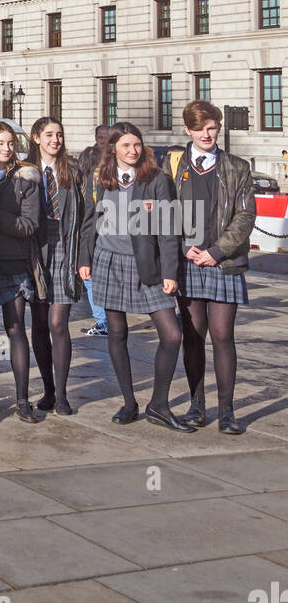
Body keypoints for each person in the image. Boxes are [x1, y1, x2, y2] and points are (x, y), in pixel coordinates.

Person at [79, 122, 192, 432]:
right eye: (126, 146)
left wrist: (170, 272)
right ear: (113, 148)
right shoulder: (98, 178)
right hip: (108, 262)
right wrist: (84, 260)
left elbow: (168, 229)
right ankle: (129, 402)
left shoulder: (156, 179)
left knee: (171, 335)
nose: (133, 151)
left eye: (137, 145)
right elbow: (89, 222)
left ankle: (159, 404)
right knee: (116, 333)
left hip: (148, 266)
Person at [164, 101, 255, 435]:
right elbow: (163, 209)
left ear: (218, 128)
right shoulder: (172, 165)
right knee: (192, 335)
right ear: (187, 130)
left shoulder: (237, 167)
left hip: (222, 262)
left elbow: (246, 216)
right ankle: (197, 405)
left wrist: (216, 251)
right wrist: (181, 248)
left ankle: (228, 411)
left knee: (222, 335)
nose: (207, 133)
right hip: (187, 263)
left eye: (213, 127)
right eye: (200, 127)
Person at [0, 120, 45, 423]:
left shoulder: (25, 177)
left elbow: (29, 225)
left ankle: (22, 399)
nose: (6, 149)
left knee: (16, 327)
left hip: (13, 262)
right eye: (0, 143)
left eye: (10, 143)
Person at [28, 115, 82, 415]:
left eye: (59, 135)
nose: (55, 140)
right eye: (49, 135)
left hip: (65, 247)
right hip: (36, 251)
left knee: (58, 322)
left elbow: (87, 218)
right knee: (38, 324)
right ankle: (47, 389)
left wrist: (82, 258)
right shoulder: (25, 171)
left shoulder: (72, 171)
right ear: (37, 138)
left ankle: (62, 394)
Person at [76, 125, 110, 337]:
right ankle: (104, 321)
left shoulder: (108, 166)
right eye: (100, 137)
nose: (102, 141)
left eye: (106, 138)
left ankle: (104, 322)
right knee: (91, 277)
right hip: (90, 221)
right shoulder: (88, 157)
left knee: (93, 279)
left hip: (103, 227)